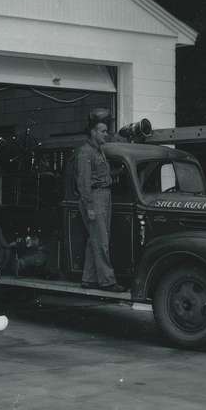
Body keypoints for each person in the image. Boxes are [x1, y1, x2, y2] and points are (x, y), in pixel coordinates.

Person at [75, 110, 126, 292]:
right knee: (102, 240)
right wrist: (89, 206)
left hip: (104, 195)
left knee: (95, 240)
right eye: (103, 131)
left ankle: (88, 279)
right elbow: (83, 182)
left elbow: (102, 174)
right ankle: (108, 281)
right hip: (94, 198)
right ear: (93, 132)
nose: (106, 134)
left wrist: (117, 173)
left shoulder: (99, 151)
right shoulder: (85, 153)